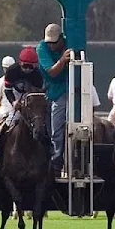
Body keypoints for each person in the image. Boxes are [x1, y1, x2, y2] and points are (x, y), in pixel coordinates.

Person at [0, 46, 46, 144]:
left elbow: (36, 95)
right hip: (11, 100)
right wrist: (14, 102)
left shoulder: (37, 75)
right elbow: (7, 91)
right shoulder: (12, 71)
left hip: (29, 99)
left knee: (40, 122)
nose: (27, 69)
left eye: (31, 67)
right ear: (20, 63)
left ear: (35, 65)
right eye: (25, 66)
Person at [38, 24, 73, 173]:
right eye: (49, 42)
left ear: (61, 39)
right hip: (51, 90)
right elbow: (52, 72)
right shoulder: (41, 48)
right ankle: (53, 159)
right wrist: (63, 60)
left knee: (61, 127)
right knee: (51, 127)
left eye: (54, 42)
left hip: (68, 89)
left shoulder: (69, 43)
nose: (51, 45)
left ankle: (61, 159)